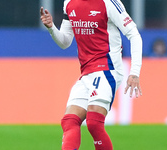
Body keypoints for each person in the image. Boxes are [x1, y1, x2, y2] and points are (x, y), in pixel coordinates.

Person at [40, 0, 142, 149]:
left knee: (94, 123)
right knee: (69, 121)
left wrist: (134, 72)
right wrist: (51, 28)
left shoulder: (109, 2)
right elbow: (65, 42)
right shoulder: (69, 2)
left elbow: (134, 34)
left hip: (107, 68)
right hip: (87, 72)